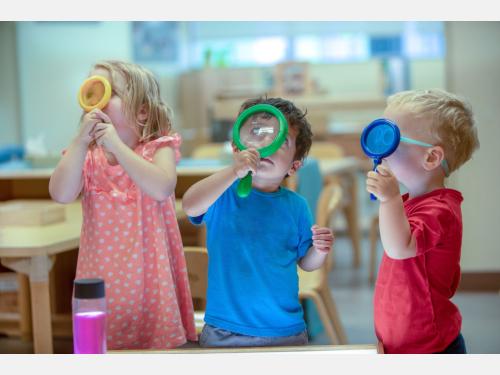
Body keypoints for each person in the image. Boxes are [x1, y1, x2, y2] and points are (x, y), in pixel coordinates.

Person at [49, 60, 196, 350]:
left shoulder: (158, 147)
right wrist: (80, 142)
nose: (98, 99)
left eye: (110, 91)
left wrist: (116, 145)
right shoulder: (87, 156)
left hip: (151, 277)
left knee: (155, 353)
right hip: (103, 277)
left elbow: (161, 186)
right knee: (105, 347)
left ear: (142, 109)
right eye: (93, 89)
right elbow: (61, 194)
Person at [182, 97, 334, 347]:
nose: (266, 145)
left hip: (285, 330)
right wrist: (233, 172)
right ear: (236, 148)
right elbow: (190, 205)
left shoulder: (296, 206)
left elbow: (307, 263)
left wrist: (319, 250)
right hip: (225, 329)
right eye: (257, 134)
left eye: (280, 140)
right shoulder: (222, 194)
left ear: (294, 166)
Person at [366, 89, 480, 354]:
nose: (380, 148)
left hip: (430, 347)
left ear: (431, 157)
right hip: (405, 341)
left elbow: (399, 248)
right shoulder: (411, 202)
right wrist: (394, 200)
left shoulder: (441, 210)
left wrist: (389, 200)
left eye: (391, 139)